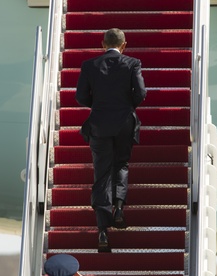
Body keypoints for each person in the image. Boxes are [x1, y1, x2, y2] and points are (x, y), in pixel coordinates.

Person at [75, 28, 147, 253]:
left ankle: (102, 231)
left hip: (99, 123)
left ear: (102, 44)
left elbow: (80, 96)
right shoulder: (132, 63)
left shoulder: (89, 65)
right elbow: (141, 93)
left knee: (102, 172)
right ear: (124, 45)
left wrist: (98, 106)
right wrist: (127, 107)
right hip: (125, 122)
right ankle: (118, 209)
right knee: (122, 164)